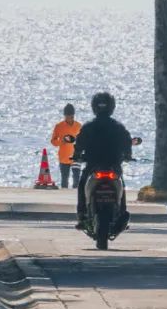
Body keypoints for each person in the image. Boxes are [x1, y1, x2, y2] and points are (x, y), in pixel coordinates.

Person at [73, 92, 138, 229]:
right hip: (113, 165)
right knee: (121, 187)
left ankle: (81, 214)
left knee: (82, 185)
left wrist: (77, 154)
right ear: (112, 107)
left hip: (93, 165)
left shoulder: (88, 126)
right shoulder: (118, 127)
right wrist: (128, 155)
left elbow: (79, 143)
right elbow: (127, 142)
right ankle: (122, 213)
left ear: (94, 107)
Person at [50, 104, 83, 189]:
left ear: (73, 115)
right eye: (67, 116)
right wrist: (62, 142)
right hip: (64, 157)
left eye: (71, 116)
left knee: (76, 179)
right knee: (64, 180)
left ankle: (75, 197)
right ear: (64, 115)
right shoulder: (59, 126)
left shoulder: (79, 126)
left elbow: (84, 140)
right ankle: (64, 198)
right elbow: (53, 141)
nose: (69, 118)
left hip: (76, 157)